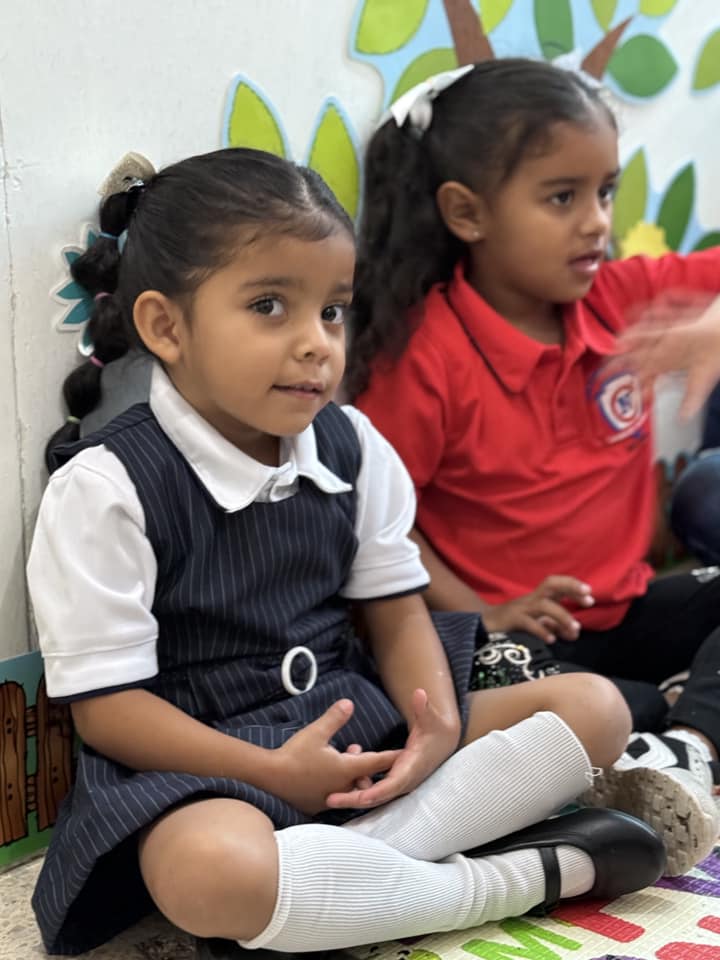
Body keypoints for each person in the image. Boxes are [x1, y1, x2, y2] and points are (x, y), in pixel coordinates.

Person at [27, 148, 669, 960]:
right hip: (206, 763)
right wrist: (268, 769)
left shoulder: (351, 445)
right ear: (166, 327)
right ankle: (515, 878)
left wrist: (434, 727)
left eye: (332, 311)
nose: (316, 344)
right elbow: (110, 712)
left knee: (597, 711)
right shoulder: (106, 488)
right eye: (269, 306)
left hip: (359, 721)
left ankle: (336, 884)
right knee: (208, 875)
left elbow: (398, 616)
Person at [349, 59, 720, 828]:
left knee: (645, 687)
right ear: (467, 212)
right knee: (594, 704)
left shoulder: (616, 296)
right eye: (562, 197)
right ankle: (675, 718)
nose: (596, 222)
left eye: (605, 191)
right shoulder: (424, 354)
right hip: (510, 642)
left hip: (626, 610)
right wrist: (486, 610)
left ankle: (686, 747)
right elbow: (381, 526)